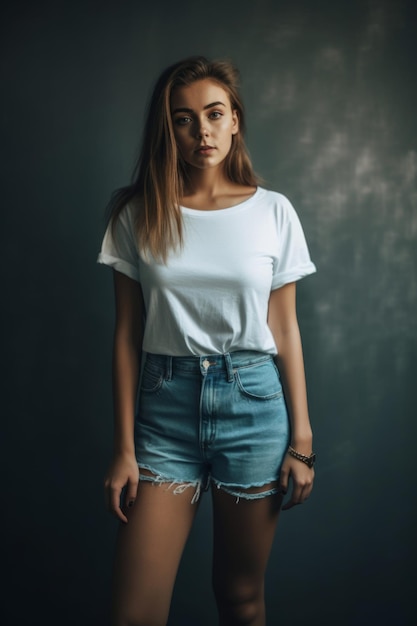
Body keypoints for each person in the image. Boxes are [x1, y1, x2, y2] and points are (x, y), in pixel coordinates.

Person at [98, 55, 316, 626]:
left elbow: (285, 328)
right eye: (184, 119)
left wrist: (302, 438)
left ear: (235, 120)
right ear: (167, 129)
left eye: (215, 114)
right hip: (164, 410)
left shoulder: (273, 211)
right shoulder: (137, 213)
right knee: (134, 613)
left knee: (240, 598)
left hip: (254, 407)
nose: (202, 131)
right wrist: (124, 449)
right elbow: (126, 335)